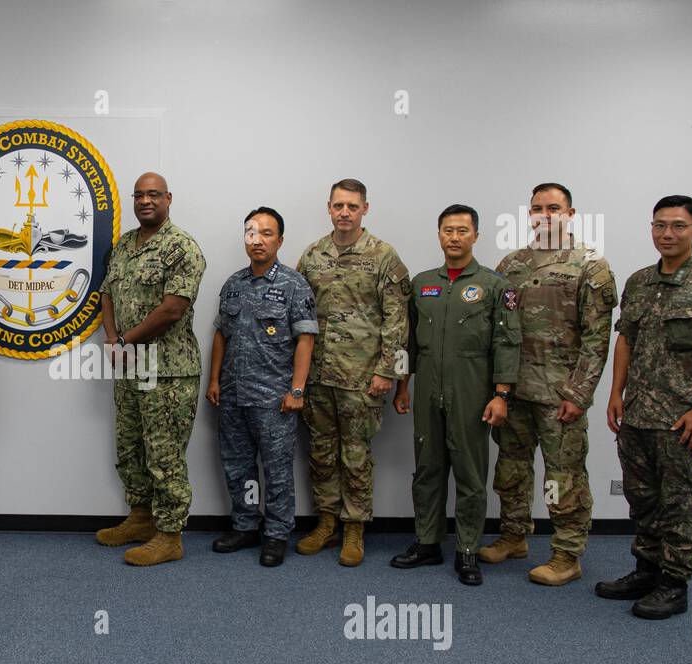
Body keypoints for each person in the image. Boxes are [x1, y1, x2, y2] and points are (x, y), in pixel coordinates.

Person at [598, 195, 692, 619]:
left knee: (678, 502)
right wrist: (615, 394)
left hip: (682, 418)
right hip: (637, 414)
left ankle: (674, 584)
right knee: (642, 500)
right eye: (660, 225)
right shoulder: (639, 281)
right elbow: (625, 339)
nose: (668, 233)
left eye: (678, 225)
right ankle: (646, 570)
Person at [482, 183, 617, 585]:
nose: (545, 215)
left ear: (570, 214)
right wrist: (498, 388)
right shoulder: (511, 265)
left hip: (560, 394)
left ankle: (566, 554)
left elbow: (597, 339)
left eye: (554, 208)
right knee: (512, 469)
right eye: (538, 208)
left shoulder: (591, 265)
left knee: (562, 477)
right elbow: (499, 332)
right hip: (515, 390)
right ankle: (513, 536)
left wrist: (579, 394)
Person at [391, 204, 521, 585]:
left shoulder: (496, 286)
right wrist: (403, 384)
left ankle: (467, 550)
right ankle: (428, 542)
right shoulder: (422, 283)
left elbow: (507, 342)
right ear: (439, 234)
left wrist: (501, 394)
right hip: (428, 384)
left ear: (475, 236)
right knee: (427, 469)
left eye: (462, 231)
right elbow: (408, 342)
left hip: (471, 387)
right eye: (448, 230)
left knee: (469, 473)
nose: (454, 237)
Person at [294, 179, 409, 566]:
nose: (345, 212)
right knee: (322, 452)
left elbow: (397, 320)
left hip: (362, 378)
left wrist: (386, 373)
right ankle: (327, 522)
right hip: (318, 376)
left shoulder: (383, 257)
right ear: (328, 208)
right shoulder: (312, 256)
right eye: (339, 205)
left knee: (356, 455)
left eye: (352, 206)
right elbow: (299, 316)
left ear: (365, 209)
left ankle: (355, 527)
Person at [96, 172, 207, 567]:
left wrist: (127, 341)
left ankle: (170, 535)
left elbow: (172, 309)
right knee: (130, 447)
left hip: (168, 372)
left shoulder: (182, 248)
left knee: (164, 455)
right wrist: (112, 338)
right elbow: (106, 292)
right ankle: (141, 518)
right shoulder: (126, 243)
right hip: (129, 366)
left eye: (154, 195)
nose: (146, 201)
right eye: (140, 195)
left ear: (168, 198)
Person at [207, 207, 317, 567]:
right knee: (239, 466)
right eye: (252, 232)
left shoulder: (293, 284)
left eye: (267, 233)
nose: (258, 240)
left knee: (277, 469)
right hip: (234, 395)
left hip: (274, 398)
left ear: (280, 240)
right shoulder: (233, 284)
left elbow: (305, 340)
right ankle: (245, 524)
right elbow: (221, 334)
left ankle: (276, 533)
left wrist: (297, 390)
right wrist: (214, 380)